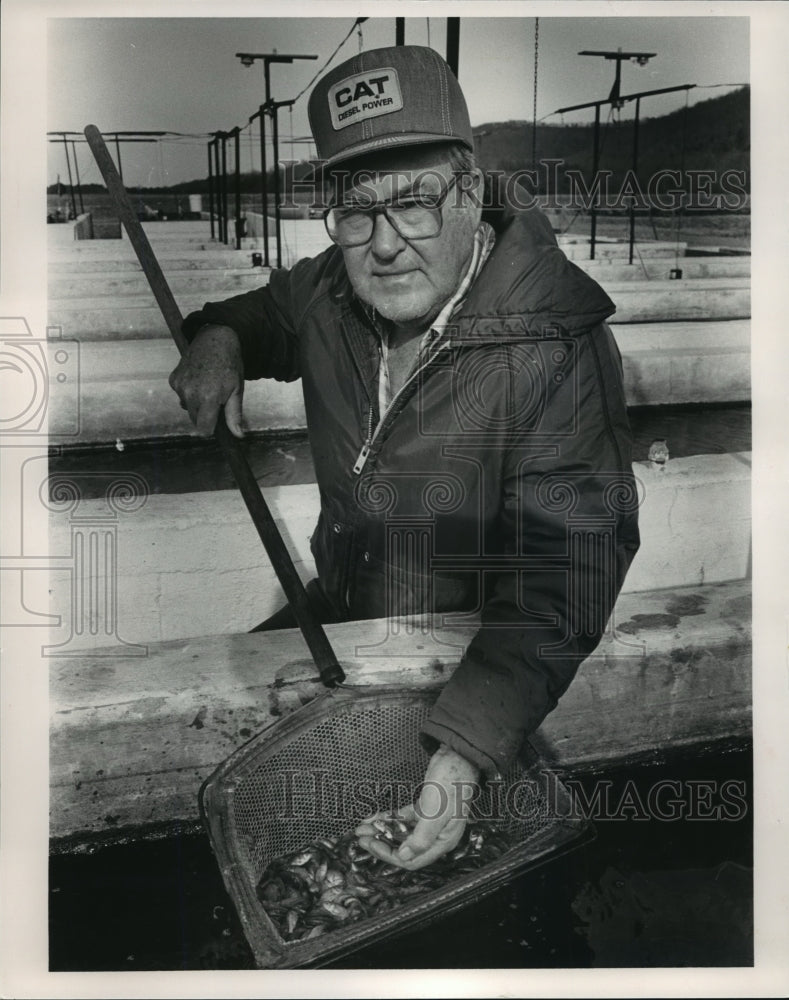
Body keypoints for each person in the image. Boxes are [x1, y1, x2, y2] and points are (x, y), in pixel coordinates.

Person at [170, 45, 640, 871]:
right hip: (342, 610)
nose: (383, 244)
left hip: (472, 657)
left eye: (414, 204)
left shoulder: (555, 343)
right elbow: (266, 312)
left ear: (470, 194)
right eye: (356, 211)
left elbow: (565, 570)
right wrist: (217, 338)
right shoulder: (330, 287)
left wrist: (462, 751)